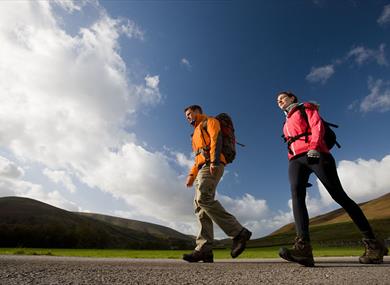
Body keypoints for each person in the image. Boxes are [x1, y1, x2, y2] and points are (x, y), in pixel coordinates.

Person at [276, 91, 388, 267]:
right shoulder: (285, 122)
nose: (279, 101)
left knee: (339, 196)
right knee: (297, 196)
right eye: (277, 100)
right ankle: (303, 249)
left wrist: (314, 147)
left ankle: (374, 243)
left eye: (282, 97)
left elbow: (316, 125)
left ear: (292, 98)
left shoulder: (305, 108)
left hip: (317, 153)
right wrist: (299, 170)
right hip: (296, 160)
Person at [182, 105, 251, 263]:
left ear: (198, 111)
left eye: (189, 113)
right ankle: (204, 249)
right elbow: (197, 157)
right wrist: (191, 176)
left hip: (212, 164)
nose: (187, 117)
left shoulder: (210, 121)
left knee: (203, 199)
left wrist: (213, 161)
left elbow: (216, 139)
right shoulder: (195, 134)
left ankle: (239, 232)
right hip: (201, 168)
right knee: (200, 208)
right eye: (186, 115)